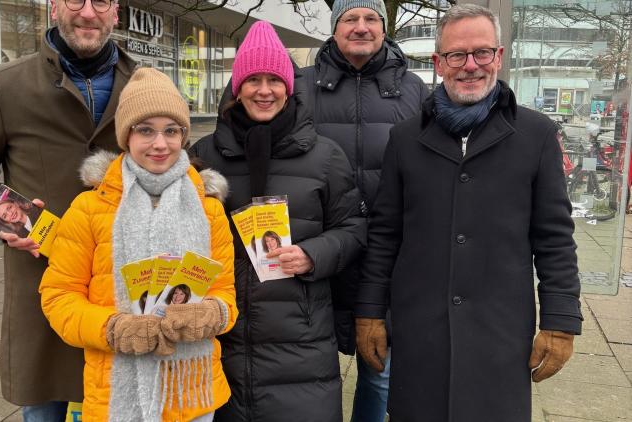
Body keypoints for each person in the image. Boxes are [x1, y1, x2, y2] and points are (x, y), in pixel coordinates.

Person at [355, 5, 583, 421]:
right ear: (439, 63)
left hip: (499, 332)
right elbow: (385, 233)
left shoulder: (536, 135)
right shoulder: (406, 139)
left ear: (498, 57)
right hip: (420, 329)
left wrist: (560, 321)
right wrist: (369, 313)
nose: (470, 66)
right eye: (457, 55)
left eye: (481, 53)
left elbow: (554, 237)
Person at [0, 0, 136, 417]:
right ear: (54, 8)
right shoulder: (5, 85)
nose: (87, 13)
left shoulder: (145, 83)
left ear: (116, 12)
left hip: (121, 284)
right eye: (74, 0)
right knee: (46, 407)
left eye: (101, 2)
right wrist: (9, 216)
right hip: (42, 280)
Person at [190, 21, 366, 421]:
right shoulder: (204, 155)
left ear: (290, 86)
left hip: (301, 343)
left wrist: (312, 254)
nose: (264, 90)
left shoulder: (325, 156)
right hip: (224, 337)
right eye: (253, 79)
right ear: (237, 87)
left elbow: (354, 229)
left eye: (274, 79)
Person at [40, 68, 237, 421]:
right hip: (115, 393)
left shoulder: (208, 209)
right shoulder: (90, 208)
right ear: (126, 137)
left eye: (171, 131)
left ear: (183, 136)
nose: (160, 144)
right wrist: (113, 328)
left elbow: (225, 295)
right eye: (145, 130)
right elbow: (58, 297)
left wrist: (211, 314)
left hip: (192, 394)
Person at [298, 1, 430, 419]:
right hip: (315, 249)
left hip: (386, 252)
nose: (361, 27)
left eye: (371, 18)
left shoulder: (415, 90)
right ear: (334, 28)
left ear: (384, 28)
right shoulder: (299, 86)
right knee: (310, 370)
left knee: (381, 368)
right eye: (350, 18)